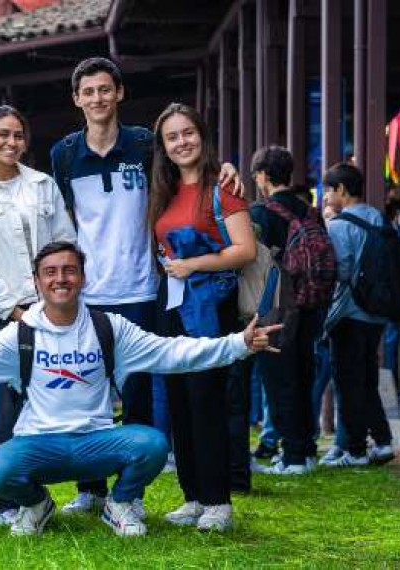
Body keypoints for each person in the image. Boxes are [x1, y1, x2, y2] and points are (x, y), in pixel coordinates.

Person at [0, 242, 281, 537]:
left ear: (82, 277)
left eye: (68, 271)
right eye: (50, 272)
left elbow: (173, 352)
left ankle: (119, 504)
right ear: (37, 281)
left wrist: (238, 345)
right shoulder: (20, 335)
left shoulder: (109, 328)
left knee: (151, 444)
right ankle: (37, 504)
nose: (60, 279)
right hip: (39, 445)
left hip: (96, 444)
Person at [50, 56, 242, 516]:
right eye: (87, 91)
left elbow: (187, 167)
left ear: (119, 94)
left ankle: (129, 495)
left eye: (104, 89)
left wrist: (228, 168)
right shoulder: (64, 153)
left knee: (138, 395)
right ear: (77, 99)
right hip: (89, 292)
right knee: (87, 392)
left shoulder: (143, 145)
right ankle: (90, 489)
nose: (97, 98)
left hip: (143, 288)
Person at [0, 104, 76, 523]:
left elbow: (65, 241)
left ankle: (43, 490)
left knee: (52, 398)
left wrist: (56, 298)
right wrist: (11, 309)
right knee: (6, 404)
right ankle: (1, 499)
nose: (12, 143)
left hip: (52, 307)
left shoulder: (43, 184)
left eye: (18, 135)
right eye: (3, 135)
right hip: (5, 313)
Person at [149, 103, 256, 531]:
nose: (181, 142)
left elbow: (244, 250)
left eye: (187, 133)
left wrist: (194, 265)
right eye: (172, 137)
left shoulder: (223, 186)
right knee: (179, 402)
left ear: (202, 135)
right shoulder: (166, 189)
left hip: (210, 306)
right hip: (172, 305)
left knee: (207, 401)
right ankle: (192, 496)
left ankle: (218, 502)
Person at [248, 146, 332, 475]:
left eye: (256, 175)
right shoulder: (309, 211)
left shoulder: (259, 213)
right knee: (303, 376)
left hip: (276, 308)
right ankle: (306, 450)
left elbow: (252, 262)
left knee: (279, 381)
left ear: (264, 176)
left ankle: (293, 456)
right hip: (310, 304)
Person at [320, 162, 394, 466]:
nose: (325, 196)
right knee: (367, 379)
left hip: (349, 313)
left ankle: (355, 450)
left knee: (348, 383)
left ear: (341, 190)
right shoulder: (378, 217)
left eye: (328, 190)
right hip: (376, 312)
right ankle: (384, 441)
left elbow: (342, 270)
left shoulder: (338, 226)